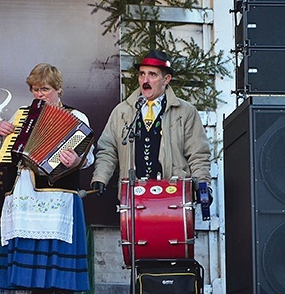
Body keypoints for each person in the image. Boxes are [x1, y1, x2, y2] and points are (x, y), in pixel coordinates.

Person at [0, 63, 95, 294]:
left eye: (45, 89)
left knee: (58, 250)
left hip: (59, 192)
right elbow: (2, 151)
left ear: (58, 89)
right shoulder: (22, 115)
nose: (39, 94)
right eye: (36, 90)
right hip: (27, 188)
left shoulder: (76, 118)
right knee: (35, 249)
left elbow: (87, 157)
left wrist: (75, 161)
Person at [90, 49, 211, 198]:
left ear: (166, 79)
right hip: (133, 198)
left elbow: (198, 154)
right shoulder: (122, 112)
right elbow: (108, 149)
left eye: (152, 75)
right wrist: (100, 178)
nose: (145, 80)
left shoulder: (185, 112)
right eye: (142, 74)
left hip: (173, 196)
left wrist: (202, 185)